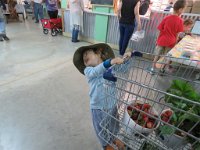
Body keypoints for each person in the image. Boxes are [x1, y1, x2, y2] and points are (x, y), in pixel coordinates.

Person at [73, 43, 126, 150]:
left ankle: (115, 138)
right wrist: (109, 62)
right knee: (101, 129)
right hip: (97, 107)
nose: (84, 57)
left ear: (98, 53)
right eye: (83, 59)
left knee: (114, 124)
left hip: (111, 104)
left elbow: (123, 69)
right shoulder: (88, 70)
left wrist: (126, 58)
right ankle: (106, 145)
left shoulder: (111, 67)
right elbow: (95, 71)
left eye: (87, 53)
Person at [148, 0, 186, 75]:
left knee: (157, 56)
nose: (183, 11)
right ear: (180, 10)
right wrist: (175, 43)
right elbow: (177, 34)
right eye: (184, 10)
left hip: (162, 40)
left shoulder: (166, 18)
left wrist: (157, 40)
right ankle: (161, 70)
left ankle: (152, 69)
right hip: (171, 42)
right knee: (166, 57)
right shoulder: (180, 21)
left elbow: (159, 30)